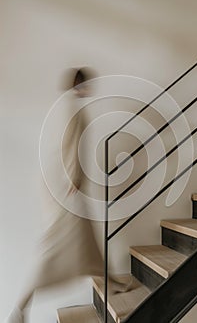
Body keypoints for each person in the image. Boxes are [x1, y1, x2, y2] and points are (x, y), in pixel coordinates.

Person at [4, 68, 132, 323]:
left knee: (84, 241)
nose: (92, 88)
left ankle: (110, 282)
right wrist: (73, 180)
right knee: (56, 250)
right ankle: (20, 307)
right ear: (81, 85)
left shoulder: (65, 106)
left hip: (61, 187)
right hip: (66, 190)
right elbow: (70, 146)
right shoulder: (73, 109)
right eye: (90, 84)